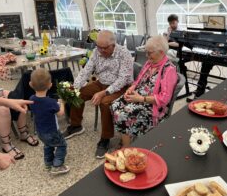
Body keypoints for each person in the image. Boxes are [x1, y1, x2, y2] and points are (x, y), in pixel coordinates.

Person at [63, 30, 134, 158]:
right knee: (77, 94)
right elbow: (86, 71)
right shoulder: (97, 52)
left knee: (105, 102)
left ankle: (105, 139)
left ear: (113, 45)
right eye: (98, 47)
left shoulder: (124, 53)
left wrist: (104, 92)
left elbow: (123, 79)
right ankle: (76, 125)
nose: (100, 51)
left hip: (121, 87)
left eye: (104, 48)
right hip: (101, 83)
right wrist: (75, 86)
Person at [111, 36, 178, 147]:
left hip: (153, 105)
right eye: (146, 52)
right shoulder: (150, 63)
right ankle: (127, 133)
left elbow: (164, 99)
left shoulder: (169, 70)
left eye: (149, 53)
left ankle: (126, 148)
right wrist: (131, 88)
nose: (146, 56)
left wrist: (141, 99)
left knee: (122, 114)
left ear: (161, 52)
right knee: (114, 104)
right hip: (139, 97)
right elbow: (138, 81)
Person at [29, 68, 70, 174]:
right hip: (52, 131)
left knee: (48, 146)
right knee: (62, 145)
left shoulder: (31, 99)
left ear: (31, 84)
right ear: (50, 85)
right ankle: (57, 165)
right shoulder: (51, 102)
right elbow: (60, 113)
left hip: (40, 132)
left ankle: (48, 164)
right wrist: (62, 103)